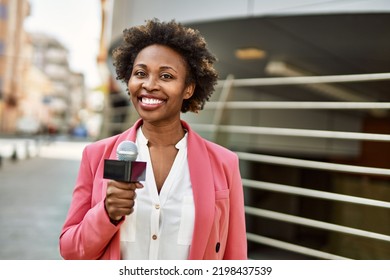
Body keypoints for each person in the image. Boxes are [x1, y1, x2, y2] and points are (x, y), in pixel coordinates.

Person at [59, 19, 247, 260]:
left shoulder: (224, 163)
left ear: (188, 89)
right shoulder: (96, 155)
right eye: (140, 73)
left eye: (166, 76)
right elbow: (70, 250)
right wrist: (107, 213)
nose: (149, 85)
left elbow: (235, 256)